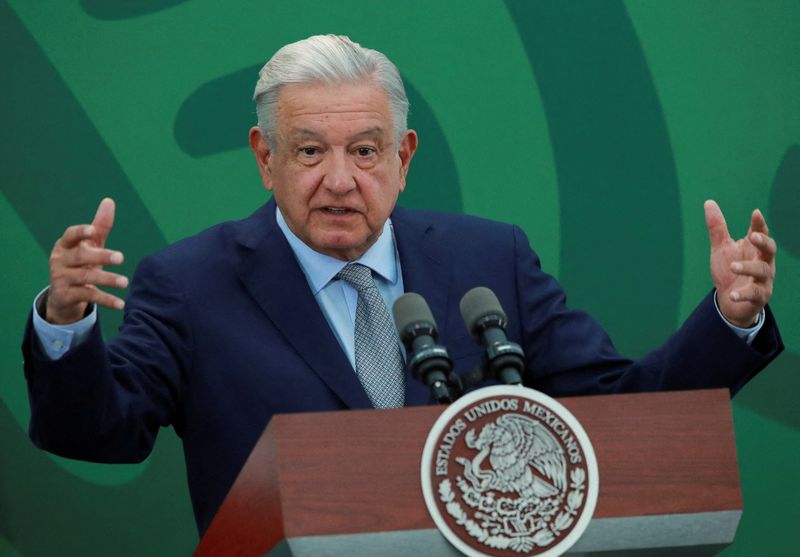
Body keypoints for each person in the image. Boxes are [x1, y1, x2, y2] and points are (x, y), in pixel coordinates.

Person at [22, 35, 782, 535]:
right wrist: (66, 319)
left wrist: (730, 315)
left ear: (405, 153)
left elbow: (622, 414)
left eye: (365, 149)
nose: (340, 180)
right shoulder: (190, 283)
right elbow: (102, 433)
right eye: (311, 150)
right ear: (265, 156)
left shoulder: (491, 260)